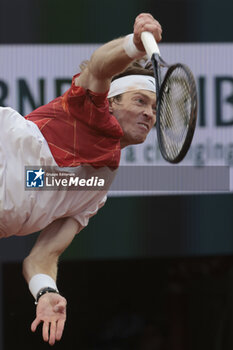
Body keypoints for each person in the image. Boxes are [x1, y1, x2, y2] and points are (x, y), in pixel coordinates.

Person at [0, 13, 162, 345]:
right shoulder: (86, 110)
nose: (150, 113)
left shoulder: (94, 187)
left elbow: (42, 256)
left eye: (155, 107)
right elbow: (100, 67)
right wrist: (134, 43)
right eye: (140, 101)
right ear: (112, 103)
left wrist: (45, 291)